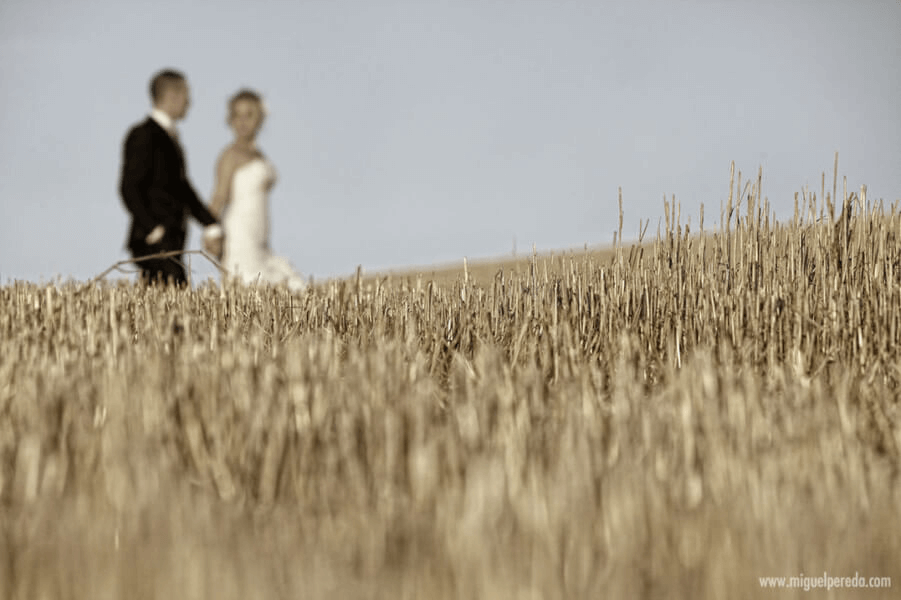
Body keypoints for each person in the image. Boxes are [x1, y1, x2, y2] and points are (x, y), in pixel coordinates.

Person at [119, 68, 224, 286]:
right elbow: (129, 187)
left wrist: (210, 222)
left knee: (169, 297)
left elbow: (182, 188)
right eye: (186, 96)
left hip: (172, 238)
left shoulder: (169, 136)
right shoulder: (143, 134)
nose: (189, 103)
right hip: (154, 241)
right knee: (174, 291)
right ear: (172, 97)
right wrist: (153, 228)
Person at [206, 88, 306, 292]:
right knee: (251, 286)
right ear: (229, 119)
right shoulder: (230, 155)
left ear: (260, 119)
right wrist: (211, 231)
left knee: (291, 287)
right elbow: (219, 196)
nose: (242, 121)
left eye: (249, 115)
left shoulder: (259, 155)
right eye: (237, 115)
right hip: (238, 234)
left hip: (259, 235)